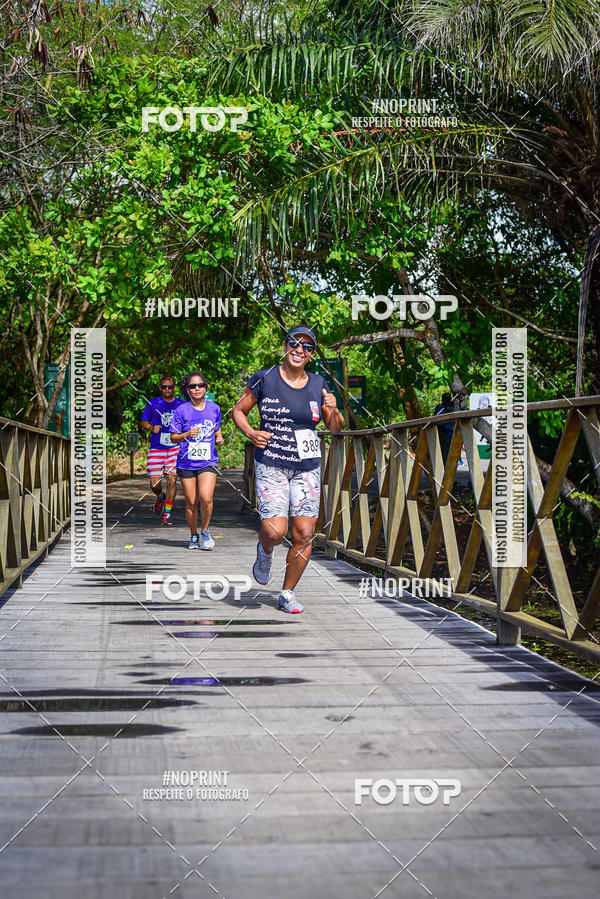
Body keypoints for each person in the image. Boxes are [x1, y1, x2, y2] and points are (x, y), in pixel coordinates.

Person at [232, 326, 344, 614]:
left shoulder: (318, 383)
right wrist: (251, 433)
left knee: (304, 533)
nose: (299, 349)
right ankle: (265, 551)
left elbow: (334, 428)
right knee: (274, 530)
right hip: (271, 463)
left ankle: (287, 592)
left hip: (307, 467)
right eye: (295, 343)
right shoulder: (265, 378)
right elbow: (238, 410)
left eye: (307, 347)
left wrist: (333, 409)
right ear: (285, 345)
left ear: (312, 354)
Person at [170, 371, 224, 550]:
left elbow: (217, 429)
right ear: (187, 389)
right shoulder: (181, 410)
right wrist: (185, 434)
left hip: (207, 461)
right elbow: (173, 437)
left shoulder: (214, 408)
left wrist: (219, 438)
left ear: (205, 387)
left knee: (206, 498)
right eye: (193, 386)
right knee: (191, 501)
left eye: (200, 385)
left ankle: (206, 531)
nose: (197, 388)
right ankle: (194, 534)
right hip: (186, 461)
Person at [140, 375, 183, 525]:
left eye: (169, 387)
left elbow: (189, 421)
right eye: (164, 387)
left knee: (172, 479)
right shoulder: (153, 403)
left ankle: (167, 513)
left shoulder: (181, 405)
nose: (167, 389)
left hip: (174, 448)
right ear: (160, 388)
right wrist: (152, 427)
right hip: (157, 448)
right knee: (154, 483)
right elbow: (143, 421)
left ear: (174, 388)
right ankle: (160, 497)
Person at [434, 392, 456, 465]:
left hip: (451, 433)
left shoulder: (453, 407)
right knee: (444, 454)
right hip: (443, 434)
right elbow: (437, 419)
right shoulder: (440, 408)